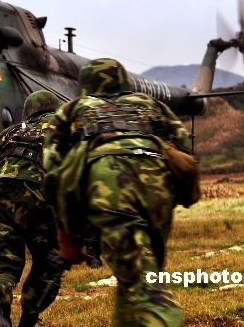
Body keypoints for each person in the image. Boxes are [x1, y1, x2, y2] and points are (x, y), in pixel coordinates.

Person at [43, 58, 198, 327]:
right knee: (138, 276)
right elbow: (183, 145)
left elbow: (54, 172)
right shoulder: (152, 105)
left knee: (145, 288)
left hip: (110, 190)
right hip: (158, 191)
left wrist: (67, 233)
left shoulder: (73, 110)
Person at [0, 90, 68, 327]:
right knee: (49, 262)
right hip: (39, 195)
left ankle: (1, 313)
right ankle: (29, 318)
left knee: (5, 261)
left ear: (28, 112)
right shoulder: (63, 128)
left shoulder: (11, 132)